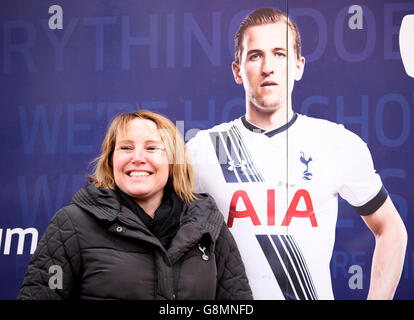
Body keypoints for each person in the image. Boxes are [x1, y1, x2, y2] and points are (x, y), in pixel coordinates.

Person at [186, 7, 407, 300]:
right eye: (255, 55)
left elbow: (391, 229)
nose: (268, 67)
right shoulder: (201, 149)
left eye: (280, 53)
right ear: (237, 71)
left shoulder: (338, 143)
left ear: (299, 66)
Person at [18, 110, 252, 300]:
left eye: (151, 148)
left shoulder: (208, 225)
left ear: (172, 162)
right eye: (126, 148)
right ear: (111, 160)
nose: (137, 157)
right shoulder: (72, 224)